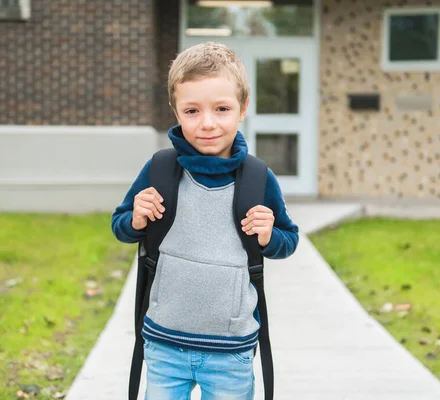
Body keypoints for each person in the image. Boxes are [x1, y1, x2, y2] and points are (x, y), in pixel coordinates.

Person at [111, 41, 299, 400]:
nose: (208, 123)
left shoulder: (259, 179)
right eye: (193, 110)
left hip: (231, 353)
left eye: (222, 108)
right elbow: (121, 225)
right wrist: (135, 219)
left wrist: (268, 236)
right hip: (165, 346)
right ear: (176, 110)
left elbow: (288, 240)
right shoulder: (160, 170)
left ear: (243, 109)